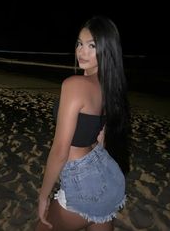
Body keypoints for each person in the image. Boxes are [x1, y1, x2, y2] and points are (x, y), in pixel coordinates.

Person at [35, 15, 131, 231]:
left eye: (91, 45)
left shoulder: (74, 84)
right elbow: (101, 138)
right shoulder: (109, 86)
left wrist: (43, 196)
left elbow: (60, 150)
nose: (81, 51)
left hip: (83, 179)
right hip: (107, 174)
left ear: (106, 49)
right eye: (79, 44)